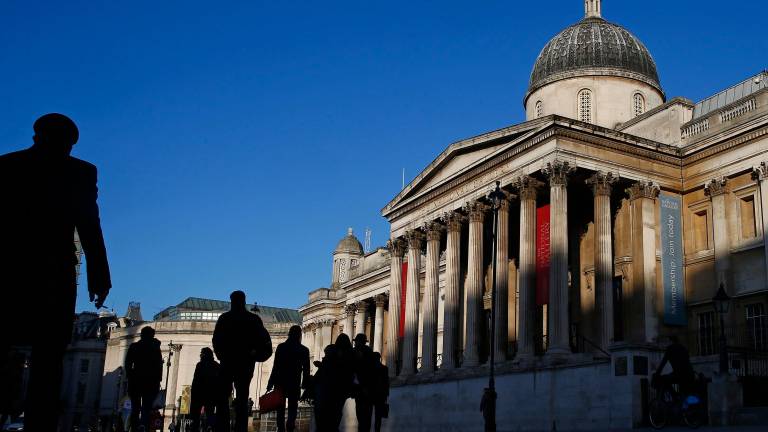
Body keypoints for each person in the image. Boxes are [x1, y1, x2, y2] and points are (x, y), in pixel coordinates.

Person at [0, 113, 111, 431]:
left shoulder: (7, 165)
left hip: (12, 269)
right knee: (49, 357)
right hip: (52, 270)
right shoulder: (79, 172)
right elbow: (90, 225)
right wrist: (99, 274)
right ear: (68, 143)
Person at [212, 290, 272, 432]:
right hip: (245, 363)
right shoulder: (252, 319)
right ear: (244, 301)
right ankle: (240, 428)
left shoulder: (225, 318)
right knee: (242, 397)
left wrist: (221, 355)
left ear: (232, 302)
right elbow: (264, 340)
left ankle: (223, 426)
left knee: (223, 397)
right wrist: (255, 354)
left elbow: (216, 340)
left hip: (228, 362)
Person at [267, 325, 310, 432]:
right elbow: (306, 369)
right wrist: (305, 383)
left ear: (289, 334)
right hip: (294, 381)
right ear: (299, 335)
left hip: (280, 381)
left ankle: (280, 428)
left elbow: (275, 366)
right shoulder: (304, 350)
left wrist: (270, 382)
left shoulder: (281, 347)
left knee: (280, 407)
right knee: (292, 406)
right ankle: (290, 425)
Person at [125, 326, 163, 431]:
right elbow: (159, 365)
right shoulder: (155, 348)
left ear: (142, 334)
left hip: (136, 381)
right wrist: (158, 379)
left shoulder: (134, 346)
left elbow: (128, 363)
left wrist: (129, 375)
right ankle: (143, 426)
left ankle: (134, 427)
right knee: (146, 408)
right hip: (150, 382)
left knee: (135, 408)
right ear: (152, 335)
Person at [314, 334, 355, 432]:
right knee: (336, 410)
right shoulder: (351, 354)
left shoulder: (335, 355)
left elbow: (330, 370)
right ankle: (333, 427)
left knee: (326, 411)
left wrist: (321, 365)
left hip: (330, 388)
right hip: (342, 389)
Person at [190, 348, 220, 432]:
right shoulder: (216, 365)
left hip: (199, 394)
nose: (200, 355)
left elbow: (195, 381)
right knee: (210, 414)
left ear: (204, 355)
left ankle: (196, 428)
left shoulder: (200, 365)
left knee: (196, 416)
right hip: (211, 395)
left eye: (201, 353)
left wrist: (193, 395)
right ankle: (210, 427)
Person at [352, 334, 377, 432]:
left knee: (363, 413)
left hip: (364, 386)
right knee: (363, 413)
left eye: (356, 341)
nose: (355, 343)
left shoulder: (365, 352)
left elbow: (366, 370)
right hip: (362, 387)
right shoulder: (363, 352)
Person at [371, 353, 389, 432]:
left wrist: (386, 394)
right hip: (378, 395)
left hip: (374, 394)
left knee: (375, 416)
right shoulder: (384, 368)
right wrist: (386, 394)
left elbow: (386, 382)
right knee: (378, 416)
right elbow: (386, 383)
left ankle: (376, 430)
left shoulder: (371, 369)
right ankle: (377, 430)